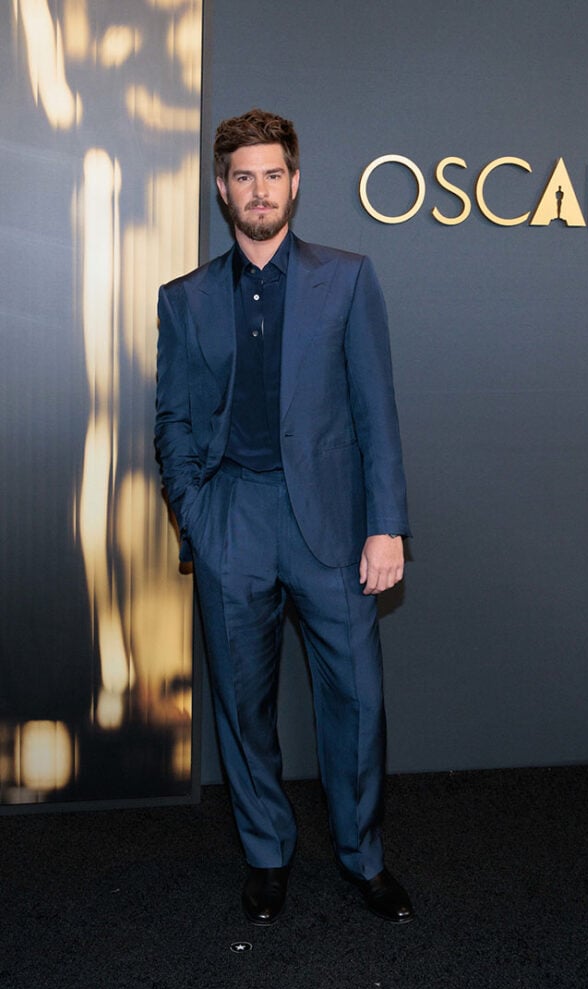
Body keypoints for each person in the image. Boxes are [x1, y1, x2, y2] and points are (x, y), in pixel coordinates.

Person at [155, 109, 413, 926]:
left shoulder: (347, 277)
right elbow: (174, 420)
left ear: (294, 183)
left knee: (357, 704)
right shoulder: (185, 298)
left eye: (272, 175)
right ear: (222, 190)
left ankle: (362, 857)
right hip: (234, 518)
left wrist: (387, 525)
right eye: (242, 177)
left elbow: (376, 412)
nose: (258, 191)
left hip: (332, 526)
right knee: (242, 706)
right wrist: (197, 513)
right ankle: (266, 854)